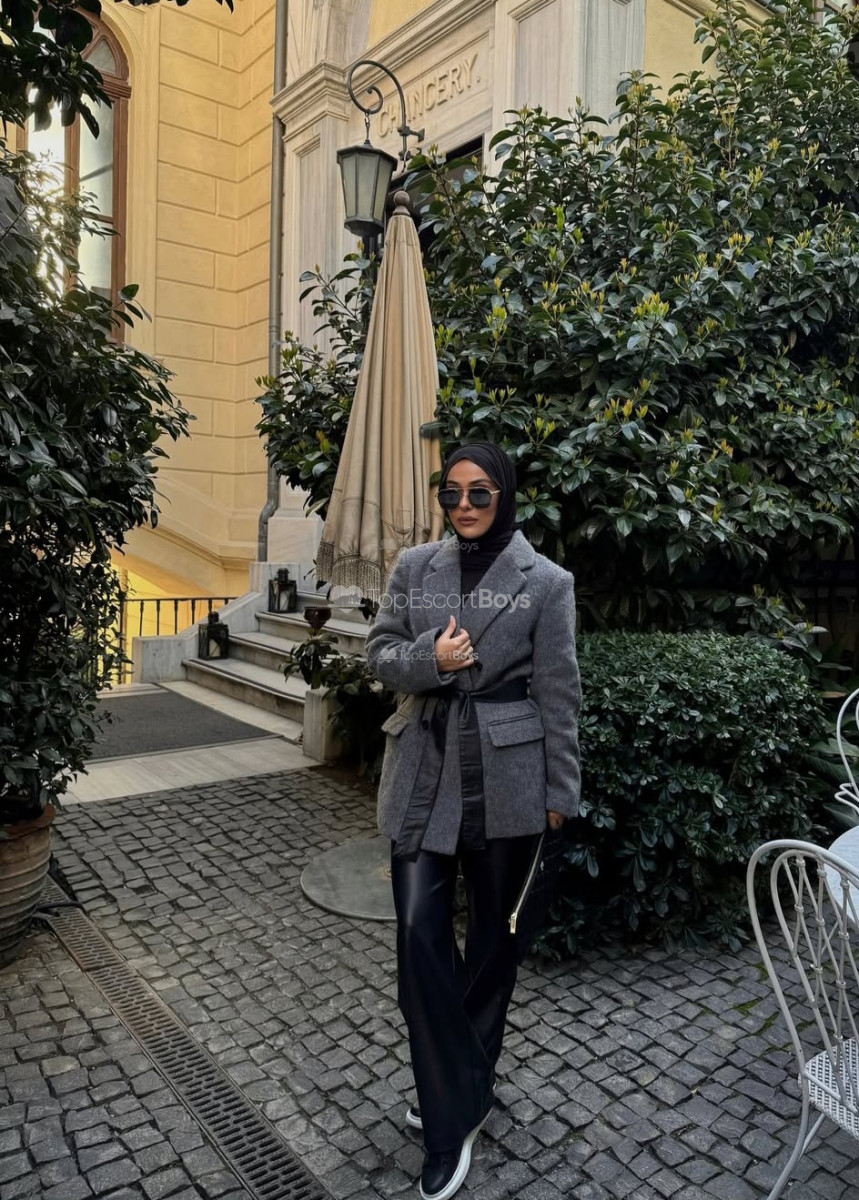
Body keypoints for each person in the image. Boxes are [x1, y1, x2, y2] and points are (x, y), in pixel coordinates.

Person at [365, 441, 581, 1200]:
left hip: (509, 779)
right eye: (451, 492)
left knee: (494, 947)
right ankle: (454, 1106)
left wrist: (562, 793)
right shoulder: (413, 566)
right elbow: (379, 655)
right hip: (422, 772)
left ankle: (454, 1094)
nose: (463, 505)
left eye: (480, 492)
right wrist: (434, 657)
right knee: (418, 938)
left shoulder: (546, 582)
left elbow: (559, 693)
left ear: (505, 495)